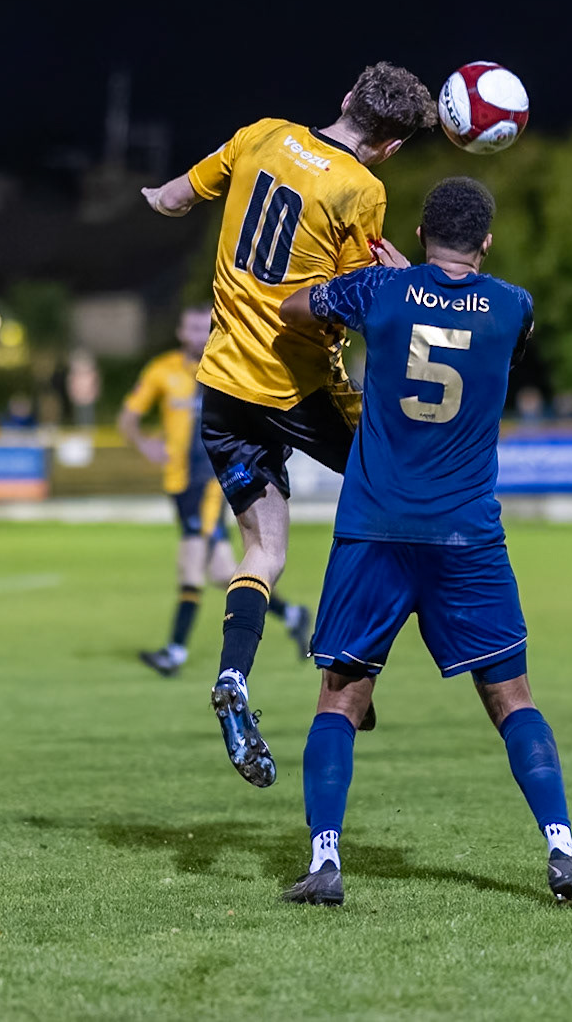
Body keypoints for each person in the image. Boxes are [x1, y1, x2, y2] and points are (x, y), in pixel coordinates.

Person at [275, 177, 572, 907]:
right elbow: (478, 324)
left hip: (375, 526)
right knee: (512, 698)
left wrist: (386, 280)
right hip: (467, 533)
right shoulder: (512, 305)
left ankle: (325, 860)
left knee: (340, 697)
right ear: (487, 241)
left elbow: (293, 309)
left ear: (420, 229)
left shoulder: (378, 291)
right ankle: (563, 850)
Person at [140, 62, 436, 787]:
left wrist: (152, 195)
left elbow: (174, 197)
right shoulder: (361, 189)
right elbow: (344, 297)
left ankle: (234, 676)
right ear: (392, 146)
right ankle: (347, 660)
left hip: (222, 385)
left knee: (262, 548)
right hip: (298, 387)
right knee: (399, 487)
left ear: (344, 99)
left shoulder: (261, 134)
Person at [118, 307, 312, 676]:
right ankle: (291, 614)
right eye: (190, 326)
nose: (196, 333)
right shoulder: (162, 370)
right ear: (179, 331)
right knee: (225, 573)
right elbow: (128, 417)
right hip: (178, 483)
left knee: (190, 561)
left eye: (202, 327)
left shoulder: (224, 368)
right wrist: (145, 445)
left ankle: (174, 652)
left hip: (210, 482)